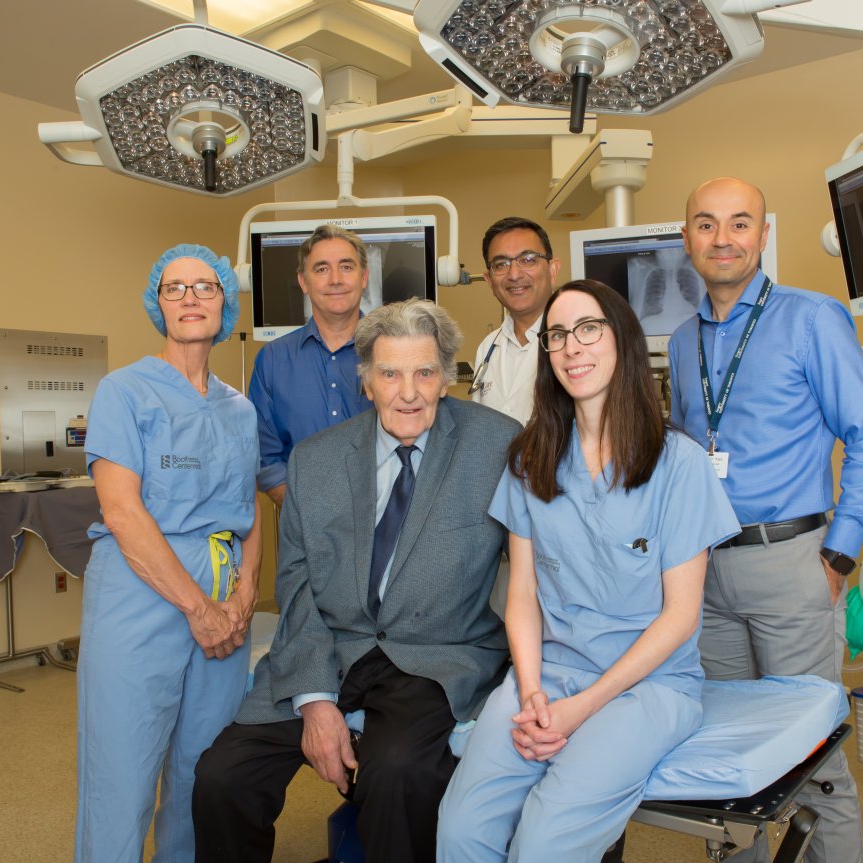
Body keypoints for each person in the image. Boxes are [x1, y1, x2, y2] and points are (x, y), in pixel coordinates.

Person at [193, 299, 520, 863]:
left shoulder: (499, 445)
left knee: (397, 773)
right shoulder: (316, 461)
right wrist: (315, 701)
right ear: (366, 381)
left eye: (424, 372)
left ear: (446, 378)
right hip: (335, 647)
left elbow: (535, 561)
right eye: (390, 373)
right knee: (223, 776)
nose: (408, 392)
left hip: (438, 654)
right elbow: (295, 584)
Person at [437, 280, 739, 862]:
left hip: (647, 688)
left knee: (546, 841)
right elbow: (522, 594)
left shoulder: (678, 466)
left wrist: (583, 707)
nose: (572, 347)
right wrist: (529, 691)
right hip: (548, 674)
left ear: (621, 341)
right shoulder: (532, 458)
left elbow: (679, 618)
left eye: (588, 329)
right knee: (459, 831)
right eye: (557, 335)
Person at [668, 177, 863, 863]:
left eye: (740, 224)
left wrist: (838, 554)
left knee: (812, 761)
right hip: (705, 572)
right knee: (724, 756)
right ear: (687, 239)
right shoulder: (682, 342)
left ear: (763, 236)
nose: (723, 238)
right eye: (706, 224)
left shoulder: (811, 318)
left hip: (792, 562)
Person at [76, 244, 261, 863]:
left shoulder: (240, 407)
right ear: (157, 302)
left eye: (205, 287)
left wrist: (243, 593)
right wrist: (197, 607)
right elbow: (122, 512)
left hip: (222, 596)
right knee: (121, 772)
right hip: (142, 593)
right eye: (175, 288)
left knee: (201, 770)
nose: (190, 298)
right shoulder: (123, 391)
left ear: (225, 302)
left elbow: (251, 508)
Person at [248, 224, 374, 507]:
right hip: (302, 526)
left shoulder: (392, 353)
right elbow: (265, 456)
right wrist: (303, 515)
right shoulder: (272, 360)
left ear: (364, 277)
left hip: (387, 524)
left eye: (346, 267)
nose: (335, 280)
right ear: (303, 282)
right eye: (321, 269)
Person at [469, 216, 561, 425]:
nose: (514, 274)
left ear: (553, 270)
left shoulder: (572, 342)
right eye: (501, 264)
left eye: (528, 259)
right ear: (489, 280)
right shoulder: (487, 348)